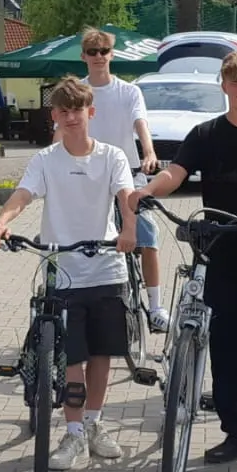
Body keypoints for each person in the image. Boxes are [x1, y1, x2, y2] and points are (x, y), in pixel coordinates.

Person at [128, 50, 237, 471]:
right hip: (219, 253)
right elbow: (176, 173)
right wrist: (149, 189)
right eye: (235, 81)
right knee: (224, 348)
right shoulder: (206, 134)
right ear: (223, 86)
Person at [0, 77, 138, 471]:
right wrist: (0, 222)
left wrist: (129, 229)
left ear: (91, 112)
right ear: (54, 115)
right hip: (62, 269)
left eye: (77, 110)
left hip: (106, 265)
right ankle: (73, 433)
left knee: (101, 353)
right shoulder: (46, 160)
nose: (71, 117)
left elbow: (126, 195)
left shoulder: (112, 156)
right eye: (64, 111)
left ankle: (94, 424)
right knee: (72, 356)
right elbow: (23, 195)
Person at [81, 27, 167, 331]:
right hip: (90, 175)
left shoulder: (129, 91)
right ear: (84, 56)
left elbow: (140, 122)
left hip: (129, 175)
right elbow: (64, 130)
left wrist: (149, 152)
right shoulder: (80, 91)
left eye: (104, 51)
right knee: (86, 241)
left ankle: (155, 307)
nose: (99, 57)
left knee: (148, 234)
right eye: (93, 52)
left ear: (112, 54)